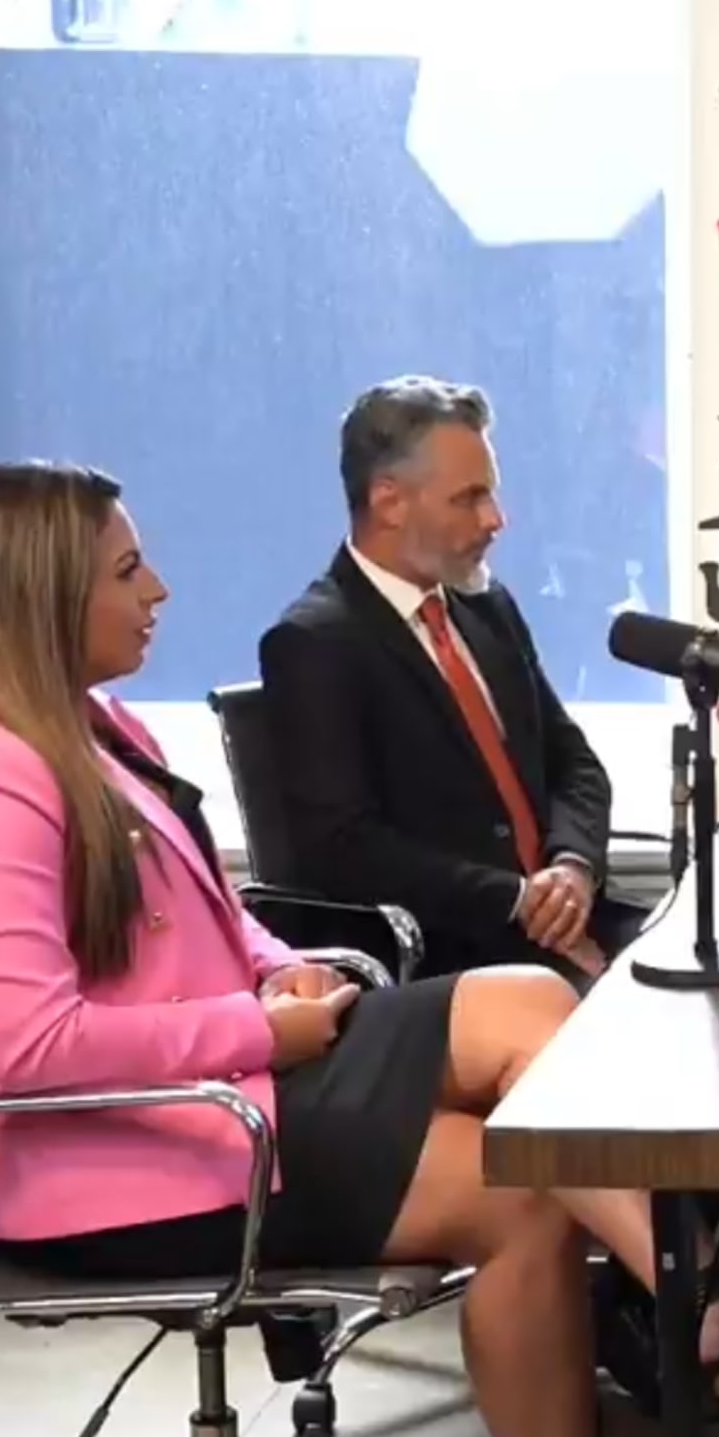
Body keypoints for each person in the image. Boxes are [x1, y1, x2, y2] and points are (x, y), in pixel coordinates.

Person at [0, 463, 719, 1437]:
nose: (160, 592)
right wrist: (257, 1028)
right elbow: (29, 1048)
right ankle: (701, 1313)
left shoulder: (99, 733)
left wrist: (277, 962)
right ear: (39, 594)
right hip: (120, 1160)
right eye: (128, 569)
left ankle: (700, 1309)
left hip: (229, 1088)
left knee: (530, 1024)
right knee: (520, 1184)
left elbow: (207, 913)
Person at [257, 378, 641, 987]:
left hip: (566, 916)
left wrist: (572, 866)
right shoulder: (314, 643)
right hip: (454, 952)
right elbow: (342, 848)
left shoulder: (487, 607)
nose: (497, 519)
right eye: (470, 498)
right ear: (389, 501)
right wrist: (518, 898)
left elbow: (574, 762)